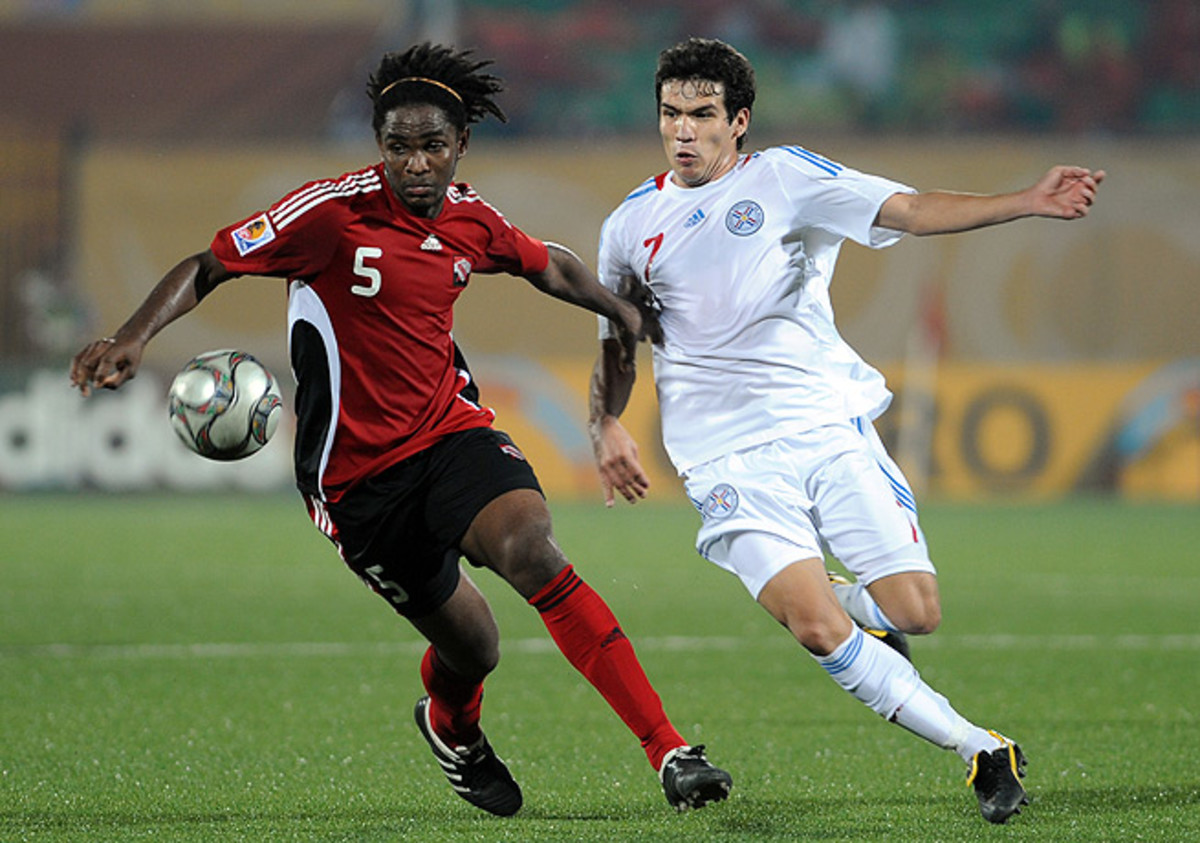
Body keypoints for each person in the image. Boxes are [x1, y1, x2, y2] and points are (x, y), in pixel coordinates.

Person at [70, 42, 732, 816]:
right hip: (355, 483)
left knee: (532, 547)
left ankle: (668, 750)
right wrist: (133, 335)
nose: (416, 164)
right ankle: (453, 724)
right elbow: (208, 263)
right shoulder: (326, 215)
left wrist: (616, 308)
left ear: (460, 147)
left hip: (450, 435)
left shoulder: (470, 218)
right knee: (474, 646)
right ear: (379, 146)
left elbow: (544, 263)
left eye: (432, 147)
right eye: (399, 147)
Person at [589, 36, 1104, 825]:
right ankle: (980, 749)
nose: (682, 131)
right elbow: (619, 339)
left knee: (915, 611)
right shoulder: (630, 224)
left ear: (739, 123)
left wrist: (1024, 200)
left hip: (825, 427)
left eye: (701, 115)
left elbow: (908, 209)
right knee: (817, 627)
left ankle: (841, 594)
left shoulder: (788, 178)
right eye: (669, 114)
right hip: (723, 456)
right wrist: (606, 423)